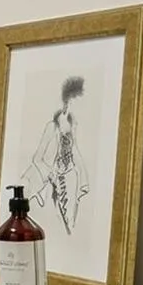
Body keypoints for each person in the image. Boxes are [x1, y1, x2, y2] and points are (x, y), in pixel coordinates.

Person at [22, 76, 90, 234]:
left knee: (70, 222)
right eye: (74, 104)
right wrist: (52, 174)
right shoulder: (52, 127)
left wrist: (83, 179)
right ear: (67, 104)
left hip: (67, 177)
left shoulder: (73, 127)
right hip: (49, 180)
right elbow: (37, 158)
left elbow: (75, 151)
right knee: (55, 222)